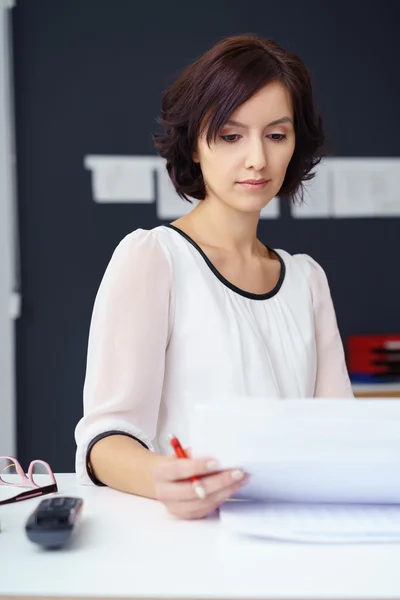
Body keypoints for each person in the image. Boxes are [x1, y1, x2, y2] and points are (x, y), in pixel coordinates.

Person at [75, 33, 353, 520]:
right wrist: (161, 478)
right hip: (187, 543)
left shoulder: (307, 279)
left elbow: (340, 437)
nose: (257, 159)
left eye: (276, 135)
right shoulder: (154, 257)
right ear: (196, 145)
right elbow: (106, 438)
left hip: (294, 543)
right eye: (230, 135)